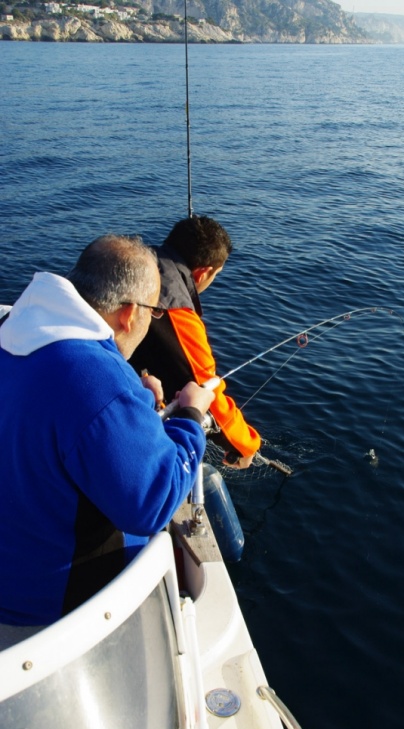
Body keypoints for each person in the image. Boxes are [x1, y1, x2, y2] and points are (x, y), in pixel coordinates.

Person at [0, 234, 214, 629]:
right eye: (155, 311)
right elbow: (152, 503)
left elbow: (64, 414)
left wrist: (133, 396)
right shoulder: (95, 382)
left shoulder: (14, 327)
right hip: (50, 609)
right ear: (130, 313)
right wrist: (191, 416)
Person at [129, 216, 261, 469]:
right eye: (216, 275)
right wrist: (245, 444)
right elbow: (205, 386)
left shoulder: (136, 260)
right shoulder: (174, 308)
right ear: (203, 272)